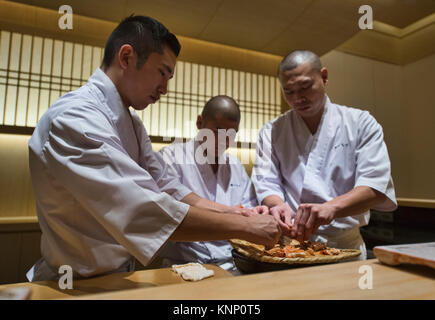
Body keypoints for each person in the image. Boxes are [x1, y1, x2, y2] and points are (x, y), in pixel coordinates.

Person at [26, 15, 281, 281]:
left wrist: (235, 211)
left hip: (120, 274)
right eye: (162, 73)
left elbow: (167, 185)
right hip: (73, 279)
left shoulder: (133, 125)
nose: (165, 89)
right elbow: (142, 209)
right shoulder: (76, 117)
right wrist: (245, 226)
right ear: (126, 57)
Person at [252, 50, 397, 259]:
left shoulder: (360, 123)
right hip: (290, 247)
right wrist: (278, 206)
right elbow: (266, 182)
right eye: (288, 91)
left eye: (305, 86)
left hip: (345, 245)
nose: (298, 98)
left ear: (324, 77)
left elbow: (375, 185)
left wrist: (332, 208)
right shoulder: (272, 131)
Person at [156, 95, 268, 273]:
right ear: (200, 123)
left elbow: (248, 210)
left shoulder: (235, 165)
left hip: (234, 263)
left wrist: (255, 213)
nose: (224, 139)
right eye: (217, 130)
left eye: (231, 133)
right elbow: (172, 210)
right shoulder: (170, 157)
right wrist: (234, 214)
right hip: (184, 263)